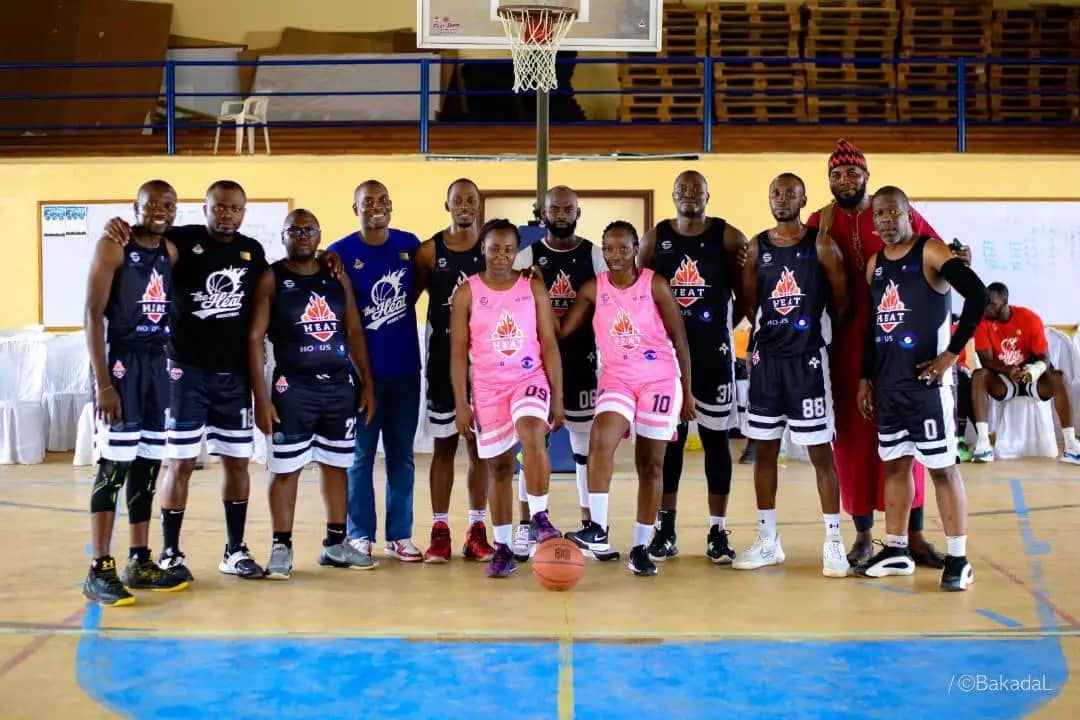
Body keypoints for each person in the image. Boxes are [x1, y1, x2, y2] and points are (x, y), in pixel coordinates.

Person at [807, 139, 962, 567]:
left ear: (866, 175)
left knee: (911, 442)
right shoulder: (820, 220)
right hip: (847, 343)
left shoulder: (892, 209)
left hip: (903, 338)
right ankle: (863, 535)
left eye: (851, 173)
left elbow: (940, 255)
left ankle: (913, 536)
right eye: (836, 174)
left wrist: (959, 257)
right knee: (853, 442)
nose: (844, 180)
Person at [103, 180, 268, 580]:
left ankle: (234, 550)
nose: (227, 214)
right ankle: (170, 552)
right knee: (180, 463)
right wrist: (117, 226)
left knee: (238, 463)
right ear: (205, 208)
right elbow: (145, 239)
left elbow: (275, 287)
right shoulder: (181, 240)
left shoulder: (252, 252)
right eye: (219, 206)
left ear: (243, 213)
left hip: (233, 376)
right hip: (183, 372)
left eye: (235, 208)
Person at [855, 186, 988, 591]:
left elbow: (978, 294)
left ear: (908, 214)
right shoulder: (875, 264)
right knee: (895, 465)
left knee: (942, 468)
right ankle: (896, 549)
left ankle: (959, 558)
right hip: (889, 385)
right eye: (878, 214)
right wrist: (865, 377)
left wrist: (951, 354)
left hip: (929, 386)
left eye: (892, 212)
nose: (885, 220)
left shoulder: (930, 252)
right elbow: (872, 326)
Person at [558, 221, 694, 576]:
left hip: (659, 380)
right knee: (600, 439)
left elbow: (680, 340)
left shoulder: (655, 285)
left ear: (636, 249)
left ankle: (640, 547)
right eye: (608, 248)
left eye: (623, 248)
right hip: (617, 378)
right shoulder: (594, 288)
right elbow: (562, 330)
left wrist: (688, 392)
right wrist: (534, 295)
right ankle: (597, 528)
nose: (615, 255)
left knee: (650, 466)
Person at [249, 209, 378, 578]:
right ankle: (281, 546)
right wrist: (261, 399)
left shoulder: (336, 275)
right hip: (292, 390)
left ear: (320, 235)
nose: (303, 235)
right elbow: (255, 337)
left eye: (310, 230)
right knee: (286, 469)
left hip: (339, 387)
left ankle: (336, 544)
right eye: (295, 230)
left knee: (337, 466)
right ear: (283, 235)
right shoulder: (272, 277)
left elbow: (354, 331)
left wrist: (367, 383)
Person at [734, 173, 851, 577]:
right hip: (767, 362)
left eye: (790, 194)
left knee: (820, 453)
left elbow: (842, 303)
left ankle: (833, 540)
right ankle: (768, 540)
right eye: (775, 193)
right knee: (764, 450)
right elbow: (749, 304)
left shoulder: (821, 245)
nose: (782, 199)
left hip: (808, 362)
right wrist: (772, 337)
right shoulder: (756, 247)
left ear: (803, 200)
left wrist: (815, 338)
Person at [82, 180, 189, 605]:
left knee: (147, 465)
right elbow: (92, 315)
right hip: (121, 363)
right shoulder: (113, 246)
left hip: (156, 364)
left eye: (168, 205)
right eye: (152, 204)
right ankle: (99, 567)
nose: (160, 211)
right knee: (114, 466)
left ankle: (139, 560)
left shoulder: (171, 251)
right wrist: (104, 384)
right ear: (136, 206)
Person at [637, 170, 748, 563]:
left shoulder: (727, 235)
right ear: (672, 195)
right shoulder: (655, 237)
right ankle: (665, 530)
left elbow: (745, 290)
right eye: (682, 189)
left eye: (696, 189)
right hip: (668, 358)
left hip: (713, 355)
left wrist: (723, 326)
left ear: (707, 195)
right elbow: (640, 289)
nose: (689, 194)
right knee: (672, 442)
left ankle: (717, 530)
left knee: (717, 442)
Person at [449, 219, 565, 578]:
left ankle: (540, 516)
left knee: (531, 432)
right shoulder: (467, 293)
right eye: (494, 248)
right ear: (482, 249)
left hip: (528, 378)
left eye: (509, 249)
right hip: (487, 388)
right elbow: (457, 353)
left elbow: (549, 343)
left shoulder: (532, 286)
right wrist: (461, 403)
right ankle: (502, 548)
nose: (501, 255)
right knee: (498, 468)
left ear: (518, 252)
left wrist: (557, 397)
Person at [327, 181, 424, 562]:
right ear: (356, 209)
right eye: (367, 202)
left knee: (402, 456)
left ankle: (399, 535)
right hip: (359, 374)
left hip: (404, 368)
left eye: (382, 200)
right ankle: (360, 534)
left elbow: (416, 289)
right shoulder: (339, 252)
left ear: (391, 204)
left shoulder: (408, 245)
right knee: (360, 457)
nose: (376, 206)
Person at [512, 185, 606, 561]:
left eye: (568, 209)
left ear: (578, 213)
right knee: (532, 446)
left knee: (584, 450)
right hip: (535, 365)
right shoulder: (526, 256)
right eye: (555, 209)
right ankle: (527, 524)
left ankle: (588, 524)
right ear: (543, 214)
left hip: (582, 362)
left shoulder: (594, 256)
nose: (562, 215)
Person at [414, 178, 494, 563]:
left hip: (487, 366)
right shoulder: (430, 251)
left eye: (470, 199)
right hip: (444, 361)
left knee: (480, 450)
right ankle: (440, 530)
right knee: (443, 447)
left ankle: (477, 529)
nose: (464, 204)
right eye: (457, 199)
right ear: (446, 205)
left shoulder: (493, 248)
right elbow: (408, 300)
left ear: (479, 205)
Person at [970, 283, 1080, 464]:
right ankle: (983, 444)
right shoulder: (982, 321)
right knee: (978, 375)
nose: (986, 307)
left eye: (991, 304)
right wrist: (1008, 370)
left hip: (1032, 378)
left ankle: (1071, 445)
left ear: (1005, 302)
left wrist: (1033, 371)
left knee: (1059, 377)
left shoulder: (1029, 318)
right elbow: (986, 361)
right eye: (984, 303)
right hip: (1004, 378)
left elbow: (1045, 359)